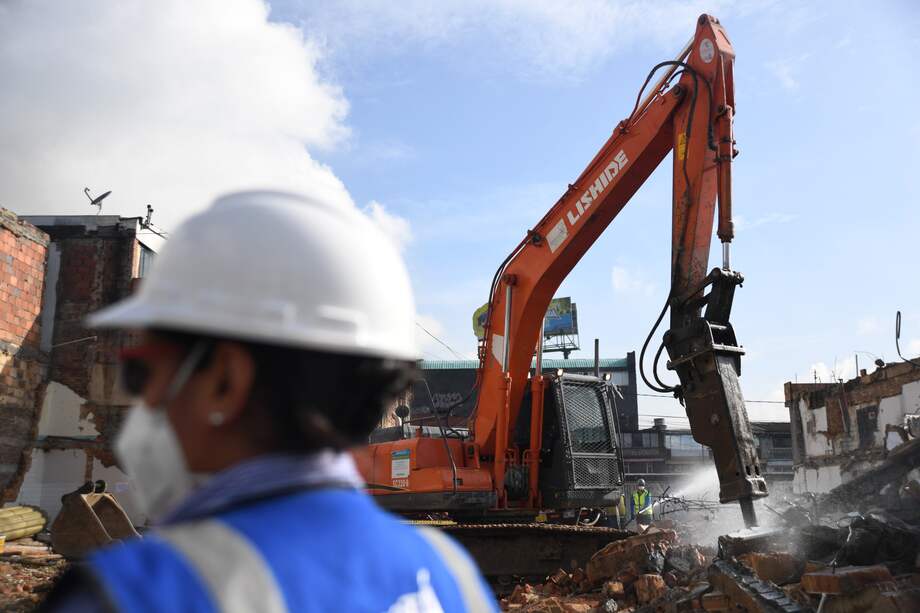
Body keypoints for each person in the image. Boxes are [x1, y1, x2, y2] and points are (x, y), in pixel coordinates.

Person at [41, 191, 497, 612]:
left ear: (225, 380)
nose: (146, 399)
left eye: (144, 370)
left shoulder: (142, 592)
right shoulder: (455, 577)